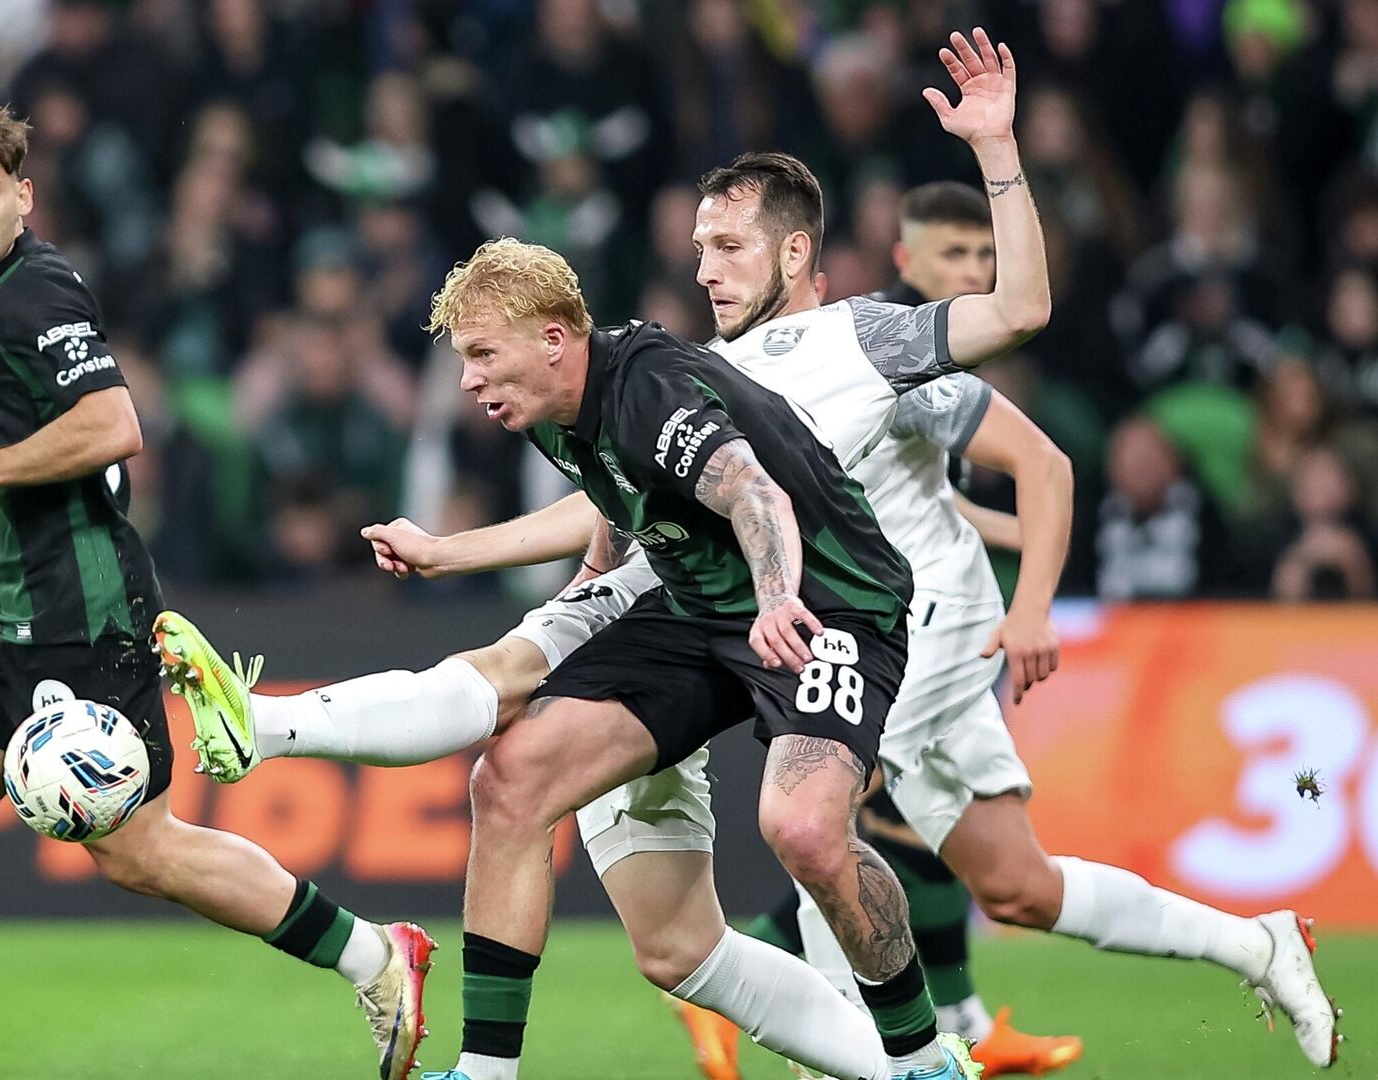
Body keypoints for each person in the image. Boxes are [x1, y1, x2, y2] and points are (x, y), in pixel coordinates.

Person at [162, 29, 1339, 1080]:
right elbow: (626, 501)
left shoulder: (863, 340)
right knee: (588, 837)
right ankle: (1016, 1018)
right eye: (697, 246)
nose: (705, 267)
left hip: (841, 616)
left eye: (728, 245)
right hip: (693, 604)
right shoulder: (656, 376)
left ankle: (931, 1051)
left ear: (792, 255)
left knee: (850, 842)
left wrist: (996, 151)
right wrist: (462, 550)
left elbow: (1016, 343)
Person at [0, 97, 432, 1080]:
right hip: (3, 609)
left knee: (141, 853)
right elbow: (72, 456)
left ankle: (373, 955)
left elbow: (113, 427)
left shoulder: (33, 293)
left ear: (24, 197)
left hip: (84, 618)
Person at [672, 180, 1085, 1080]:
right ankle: (893, 1029)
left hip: (899, 616)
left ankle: (921, 1025)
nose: (971, 269)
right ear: (908, 257)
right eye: (956, 253)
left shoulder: (876, 343)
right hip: (849, 621)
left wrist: (995, 148)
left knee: (886, 827)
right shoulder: (794, 354)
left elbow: (947, 477)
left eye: (982, 255)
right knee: (850, 819)